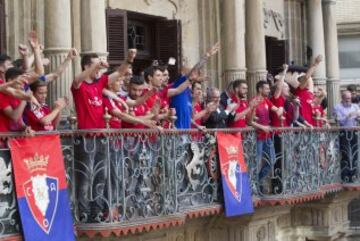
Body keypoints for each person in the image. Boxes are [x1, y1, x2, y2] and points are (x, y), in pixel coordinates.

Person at [249, 80, 283, 194]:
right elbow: (249, 121)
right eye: (266, 88)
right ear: (260, 89)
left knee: (272, 160)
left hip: (267, 136)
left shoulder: (266, 101)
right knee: (256, 161)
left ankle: (258, 181)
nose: (268, 90)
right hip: (258, 136)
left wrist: (280, 110)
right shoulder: (253, 102)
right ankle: (253, 186)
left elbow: (276, 110)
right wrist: (262, 127)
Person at [333, 90, 360, 182]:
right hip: (343, 133)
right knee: (345, 154)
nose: (349, 100)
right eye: (347, 98)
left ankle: (354, 176)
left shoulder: (355, 106)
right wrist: (348, 116)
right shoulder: (337, 107)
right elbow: (339, 121)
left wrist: (357, 117)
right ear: (342, 98)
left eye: (350, 98)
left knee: (355, 154)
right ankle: (345, 176)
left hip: (354, 132)